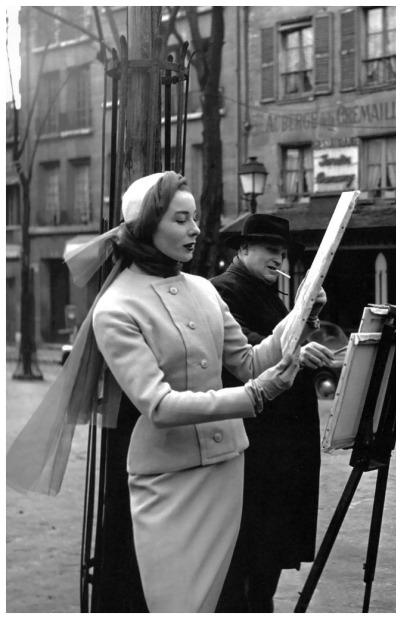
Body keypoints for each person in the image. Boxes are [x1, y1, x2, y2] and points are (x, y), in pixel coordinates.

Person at [6, 171, 327, 613]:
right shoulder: (117, 307)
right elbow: (157, 405)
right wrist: (256, 396)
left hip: (228, 469)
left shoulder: (203, 290)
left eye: (194, 217)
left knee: (227, 597)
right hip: (167, 479)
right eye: (181, 219)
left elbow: (250, 360)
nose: (195, 228)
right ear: (147, 226)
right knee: (175, 601)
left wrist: (302, 314)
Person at [211, 214, 336, 612]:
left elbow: (285, 339)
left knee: (270, 540)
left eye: (281, 253)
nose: (278, 260)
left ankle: (259, 604)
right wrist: (297, 348)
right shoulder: (225, 290)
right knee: (252, 542)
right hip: (258, 440)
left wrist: (309, 318)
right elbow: (247, 350)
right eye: (270, 250)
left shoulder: (262, 289)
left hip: (277, 440)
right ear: (243, 250)